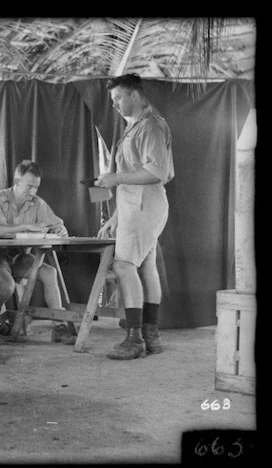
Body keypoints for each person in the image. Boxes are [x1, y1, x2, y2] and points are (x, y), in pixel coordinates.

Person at [95, 73, 174, 360]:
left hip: (145, 206)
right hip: (136, 207)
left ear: (135, 96)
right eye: (113, 99)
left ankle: (135, 338)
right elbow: (132, 178)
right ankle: (151, 336)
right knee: (146, 266)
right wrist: (116, 215)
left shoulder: (150, 126)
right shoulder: (135, 127)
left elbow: (157, 173)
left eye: (118, 98)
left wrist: (115, 177)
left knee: (124, 266)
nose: (115, 104)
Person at [0, 160, 75, 344]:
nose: (33, 192)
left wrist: (59, 230)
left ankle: (58, 326)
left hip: (19, 255)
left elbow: (57, 223)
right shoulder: (0, 198)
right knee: (7, 286)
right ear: (17, 180)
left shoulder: (37, 203)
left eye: (36, 187)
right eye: (29, 186)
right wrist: (27, 226)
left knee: (49, 272)